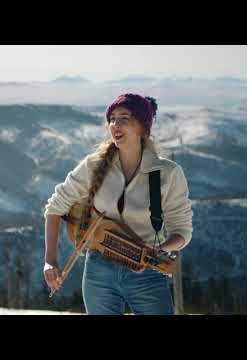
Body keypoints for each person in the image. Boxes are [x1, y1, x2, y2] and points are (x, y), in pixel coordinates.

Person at [43, 93, 193, 315]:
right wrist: (50, 261)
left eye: (124, 118)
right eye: (112, 119)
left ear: (143, 127)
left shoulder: (168, 173)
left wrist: (160, 249)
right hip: (98, 270)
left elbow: (182, 231)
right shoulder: (93, 165)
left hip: (147, 273)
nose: (115, 124)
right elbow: (55, 208)